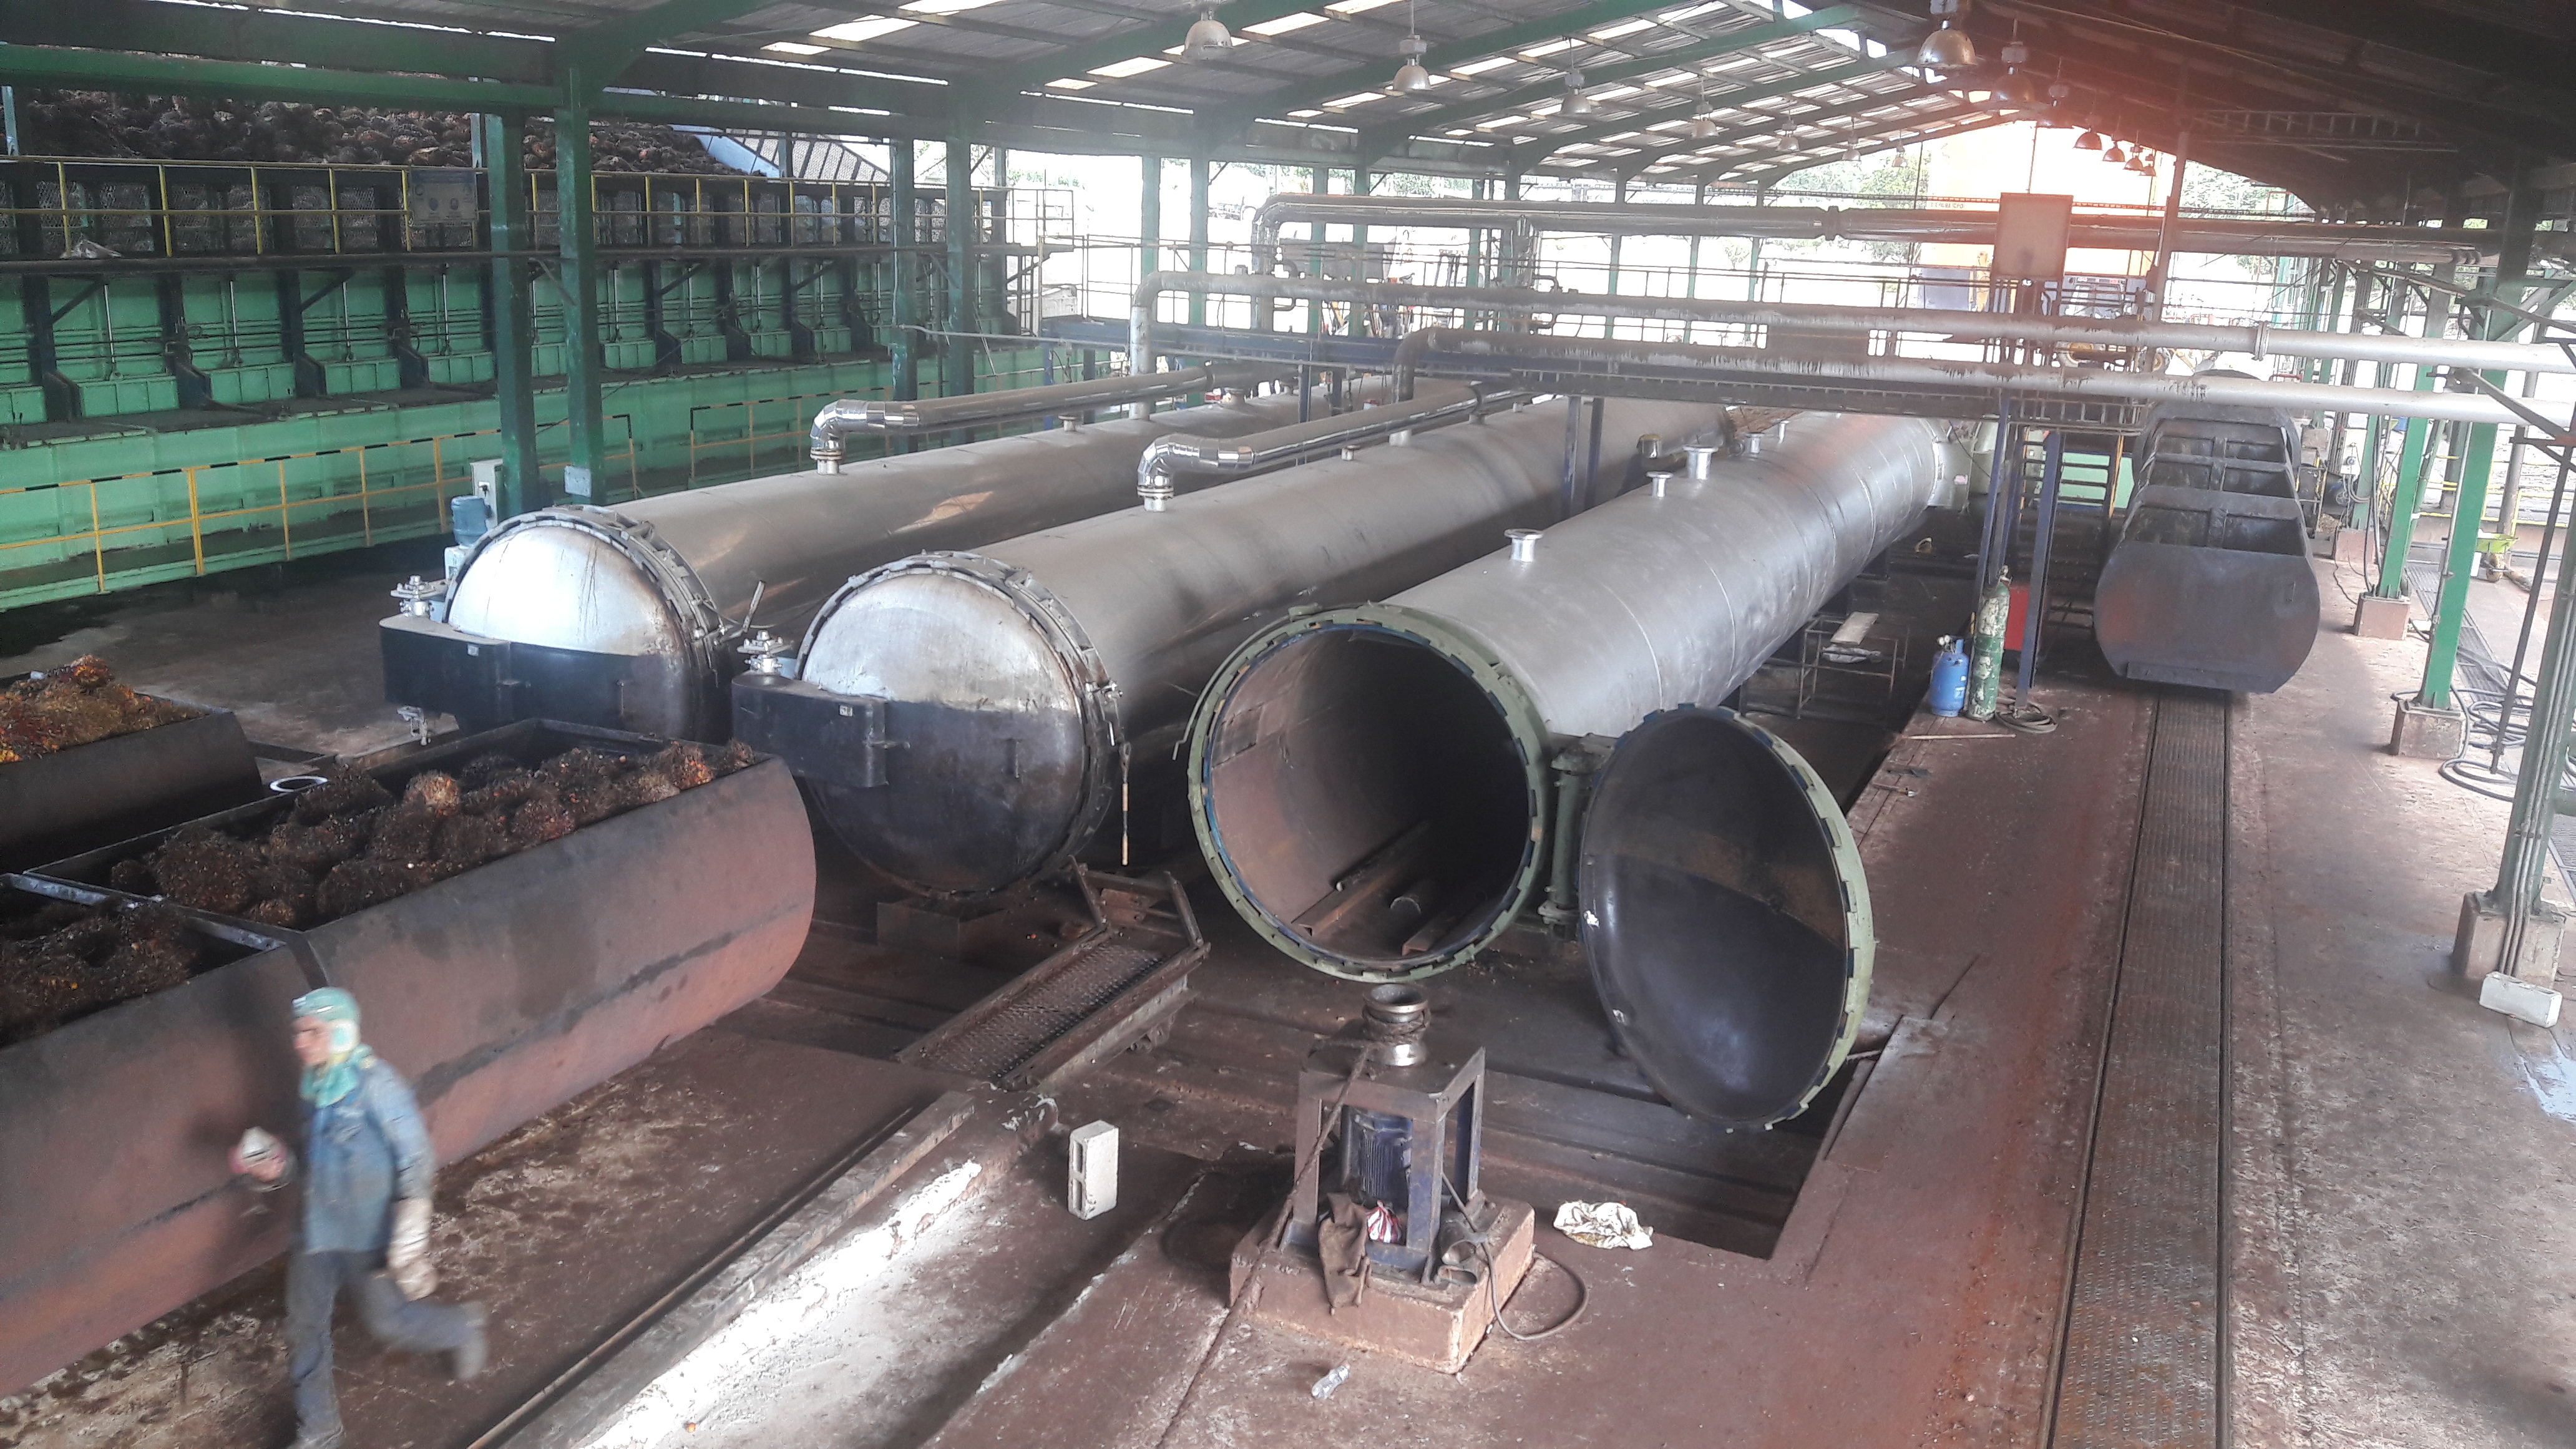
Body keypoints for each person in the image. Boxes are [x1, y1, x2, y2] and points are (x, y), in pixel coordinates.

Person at [233, 987, 490, 1449]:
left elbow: (416, 1158)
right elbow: (311, 1163)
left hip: (367, 1235)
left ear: (341, 1033)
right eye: (298, 1032)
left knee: (389, 1322)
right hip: (316, 1234)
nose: (299, 1042)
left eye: (312, 1032)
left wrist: (410, 1229)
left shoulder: (377, 1085)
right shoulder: (314, 1087)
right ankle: (321, 1430)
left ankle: (461, 1328)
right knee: (304, 1327)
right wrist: (278, 1165)